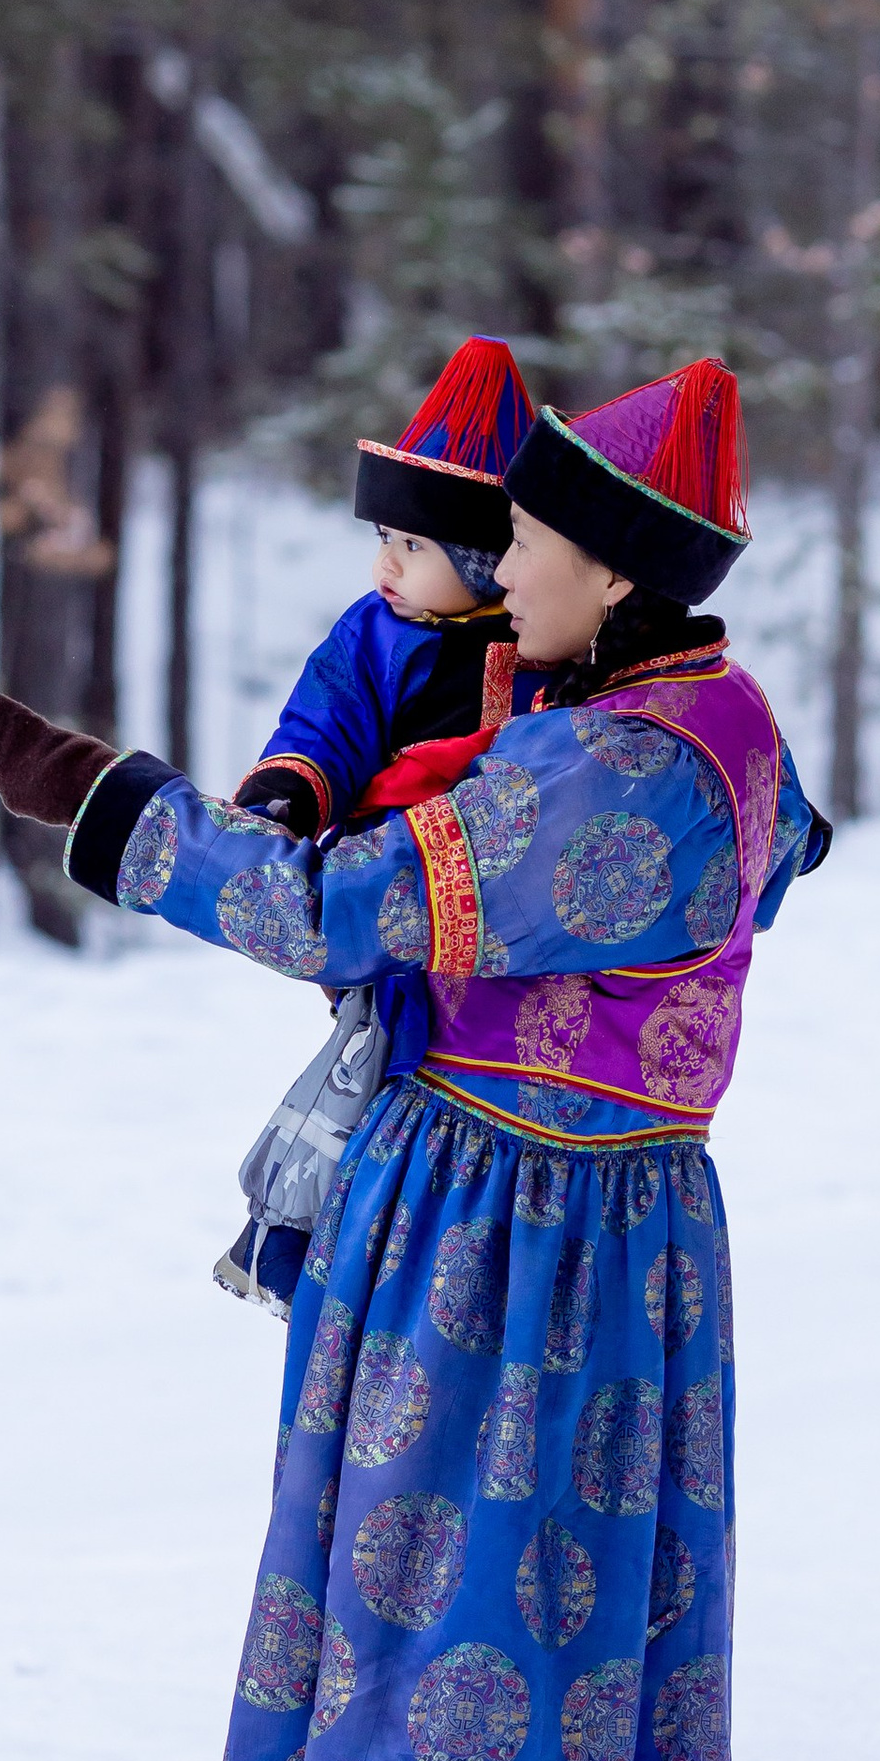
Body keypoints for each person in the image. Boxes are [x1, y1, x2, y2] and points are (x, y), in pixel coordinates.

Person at [0, 357, 829, 1761]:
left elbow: (334, 908)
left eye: (519, 540)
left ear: (612, 567)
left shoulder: (619, 771)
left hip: (530, 1236)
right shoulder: (704, 713)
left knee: (494, 1634)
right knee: (571, 1626)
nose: (488, 570)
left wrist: (108, 802)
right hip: (586, 1212)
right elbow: (800, 845)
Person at [213, 337, 545, 1314]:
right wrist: (287, 793)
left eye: (412, 547)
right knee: (379, 1071)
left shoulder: (545, 643)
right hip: (389, 896)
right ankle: (310, 1243)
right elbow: (327, 719)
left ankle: (465, 1256)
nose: (385, 564)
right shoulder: (375, 632)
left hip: (503, 921)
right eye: (385, 541)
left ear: (487, 561)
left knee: (470, 1087)